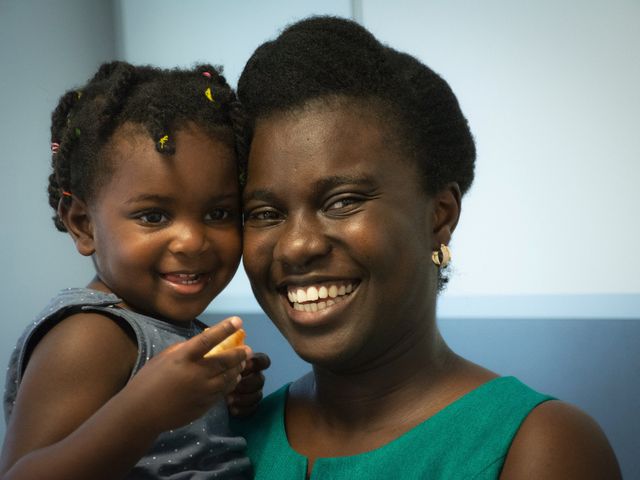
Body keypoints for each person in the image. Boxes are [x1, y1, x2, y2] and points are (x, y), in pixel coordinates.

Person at [232, 16, 621, 479]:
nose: (296, 246)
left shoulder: (541, 446)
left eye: (342, 201)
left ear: (439, 215)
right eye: (264, 213)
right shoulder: (226, 439)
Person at [1, 61, 269, 479]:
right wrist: (146, 410)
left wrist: (219, 396)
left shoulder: (164, 325)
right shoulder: (90, 335)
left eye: (219, 213)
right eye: (154, 216)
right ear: (83, 225)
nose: (192, 241)